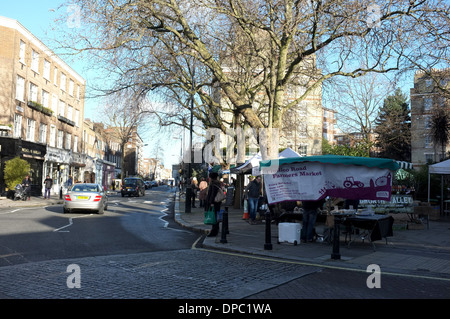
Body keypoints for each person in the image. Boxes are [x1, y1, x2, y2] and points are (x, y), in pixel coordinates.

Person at [206, 172, 222, 237]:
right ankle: (216, 230)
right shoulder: (218, 183)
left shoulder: (213, 184)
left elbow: (212, 194)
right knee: (216, 217)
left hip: (214, 203)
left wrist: (211, 202)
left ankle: (214, 231)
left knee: (213, 217)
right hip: (217, 203)